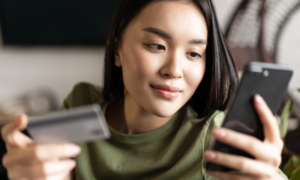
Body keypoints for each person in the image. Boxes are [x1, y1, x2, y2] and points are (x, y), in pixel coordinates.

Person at [0, 0, 288, 179]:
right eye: (156, 46)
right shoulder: (81, 103)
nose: (173, 69)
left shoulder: (212, 140)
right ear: (116, 49)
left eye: (194, 54)